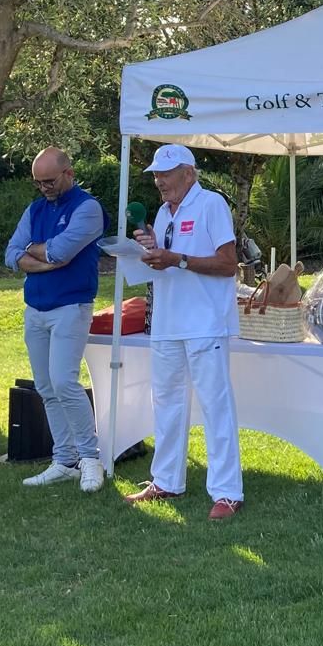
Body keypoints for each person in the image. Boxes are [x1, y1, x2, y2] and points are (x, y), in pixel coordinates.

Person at [123, 145, 244, 519]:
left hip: (205, 322)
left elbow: (228, 264)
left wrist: (177, 259)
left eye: (166, 174)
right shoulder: (162, 212)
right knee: (166, 403)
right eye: (156, 175)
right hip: (167, 322)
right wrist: (152, 253)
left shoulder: (211, 204)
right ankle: (166, 481)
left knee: (215, 406)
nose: (159, 181)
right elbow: (169, 262)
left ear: (189, 174)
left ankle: (227, 492)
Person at [6, 147, 106, 492]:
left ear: (69, 173)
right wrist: (45, 257)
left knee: (64, 382)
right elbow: (11, 253)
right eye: (38, 182)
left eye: (49, 181)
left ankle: (90, 458)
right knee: (47, 387)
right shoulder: (35, 209)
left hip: (71, 306)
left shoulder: (88, 208)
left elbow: (61, 252)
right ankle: (64, 460)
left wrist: (36, 251)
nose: (44, 188)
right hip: (36, 308)